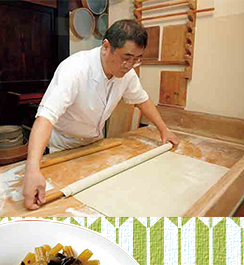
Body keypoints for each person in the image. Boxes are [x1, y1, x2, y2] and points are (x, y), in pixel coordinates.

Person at [22, 19, 180, 210]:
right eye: (126, 57)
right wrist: (32, 169)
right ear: (106, 46)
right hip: (64, 145)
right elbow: (46, 117)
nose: (129, 65)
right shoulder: (74, 69)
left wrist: (164, 130)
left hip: (96, 144)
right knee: (66, 206)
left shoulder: (127, 74)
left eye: (137, 58)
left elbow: (142, 101)